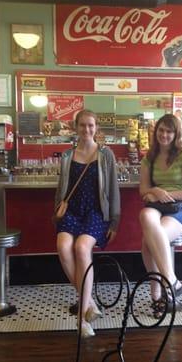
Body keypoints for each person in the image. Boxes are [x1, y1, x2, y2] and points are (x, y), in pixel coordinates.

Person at [55, 109, 120, 338]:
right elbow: (62, 188)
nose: (86, 129)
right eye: (82, 125)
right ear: (76, 127)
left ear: (96, 128)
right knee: (63, 248)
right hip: (72, 211)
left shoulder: (105, 154)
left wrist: (114, 221)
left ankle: (81, 320)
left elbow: (113, 188)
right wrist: (57, 212)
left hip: (95, 212)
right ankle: (90, 301)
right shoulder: (66, 156)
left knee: (82, 248)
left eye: (90, 125)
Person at [139, 114, 182, 318]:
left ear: (176, 134)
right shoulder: (149, 157)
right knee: (145, 216)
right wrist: (156, 192)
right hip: (157, 206)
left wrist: (166, 194)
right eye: (161, 130)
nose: (164, 135)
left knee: (149, 241)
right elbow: (144, 190)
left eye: (169, 131)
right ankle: (171, 281)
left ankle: (158, 296)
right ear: (156, 132)